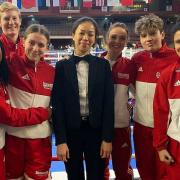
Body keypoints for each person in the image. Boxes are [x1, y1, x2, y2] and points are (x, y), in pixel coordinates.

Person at [52, 16, 114, 180]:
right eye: (81, 33)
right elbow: (57, 106)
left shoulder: (103, 66)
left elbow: (108, 104)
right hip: (71, 133)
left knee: (97, 176)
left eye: (90, 34)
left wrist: (107, 138)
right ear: (73, 34)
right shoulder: (61, 66)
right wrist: (60, 140)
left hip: (96, 132)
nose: (85, 38)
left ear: (95, 38)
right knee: (74, 176)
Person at [4, 24, 54, 180]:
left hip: (40, 142)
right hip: (13, 139)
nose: (35, 48)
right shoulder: (9, 63)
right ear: (23, 41)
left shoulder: (52, 72)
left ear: (46, 47)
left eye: (40, 44)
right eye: (31, 42)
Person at [131, 14, 179, 180]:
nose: (148, 39)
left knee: (166, 172)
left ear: (162, 34)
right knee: (144, 170)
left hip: (167, 132)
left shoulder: (175, 58)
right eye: (144, 36)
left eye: (152, 34)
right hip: (141, 127)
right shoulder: (137, 59)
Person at [101, 22, 134, 180]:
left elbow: (139, 93)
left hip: (121, 127)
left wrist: (130, 106)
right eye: (113, 37)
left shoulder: (130, 66)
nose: (117, 41)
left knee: (123, 172)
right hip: (98, 128)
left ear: (126, 42)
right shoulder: (95, 65)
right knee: (100, 171)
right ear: (106, 38)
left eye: (122, 38)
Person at [153, 22, 180, 180]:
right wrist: (161, 146)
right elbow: (160, 113)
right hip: (176, 145)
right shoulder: (167, 76)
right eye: (178, 41)